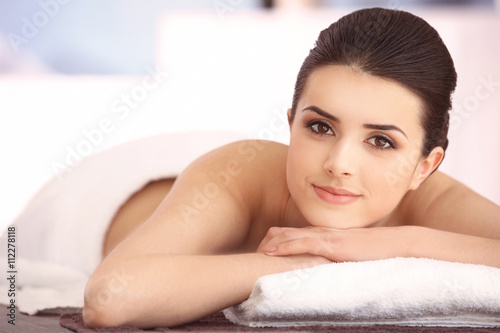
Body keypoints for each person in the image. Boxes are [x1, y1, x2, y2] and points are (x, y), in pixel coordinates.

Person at [83, 7, 500, 328]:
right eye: (319, 127)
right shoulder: (235, 176)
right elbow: (109, 299)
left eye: (380, 141)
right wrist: (307, 262)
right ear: (290, 123)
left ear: (424, 167)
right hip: (107, 194)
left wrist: (395, 244)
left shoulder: (436, 202)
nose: (339, 164)